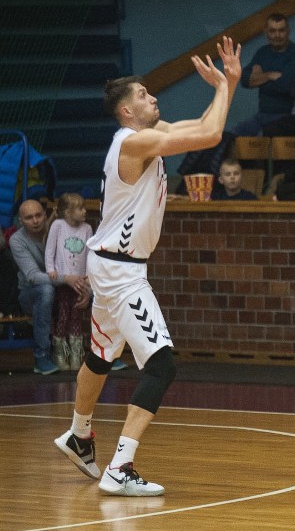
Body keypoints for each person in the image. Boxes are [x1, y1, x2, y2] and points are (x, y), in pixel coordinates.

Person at [53, 36, 242, 496]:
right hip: (120, 271)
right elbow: (212, 134)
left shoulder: (144, 141)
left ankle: (80, 435)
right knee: (161, 366)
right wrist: (228, 84)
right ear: (127, 112)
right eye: (143, 95)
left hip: (110, 264)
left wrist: (226, 89)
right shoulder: (136, 144)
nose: (152, 97)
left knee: (100, 358)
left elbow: (200, 125)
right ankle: (121, 467)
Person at [10, 200, 89, 375]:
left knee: (102, 287)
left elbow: (80, 263)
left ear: (45, 215)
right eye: (29, 218)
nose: (35, 220)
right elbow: (33, 276)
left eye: (38, 215)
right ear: (21, 221)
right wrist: (67, 279)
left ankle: (106, 355)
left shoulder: (58, 230)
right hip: (31, 294)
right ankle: (42, 356)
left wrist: (86, 288)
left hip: (65, 289)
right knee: (46, 290)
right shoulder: (17, 240)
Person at [234, 14, 295, 136]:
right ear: (266, 32)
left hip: (288, 116)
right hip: (262, 114)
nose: (277, 35)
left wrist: (258, 79)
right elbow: (244, 80)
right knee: (236, 133)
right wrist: (269, 76)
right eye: (272, 31)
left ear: (288, 31)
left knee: (263, 137)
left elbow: (287, 86)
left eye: (281, 30)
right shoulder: (262, 52)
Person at [44, 193, 94, 370]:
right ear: (66, 212)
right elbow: (50, 249)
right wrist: (51, 269)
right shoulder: (58, 225)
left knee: (76, 316)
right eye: (80, 208)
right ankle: (59, 351)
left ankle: (76, 352)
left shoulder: (87, 228)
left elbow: (89, 254)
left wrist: (87, 278)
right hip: (63, 280)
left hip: (80, 281)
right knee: (63, 314)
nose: (84, 211)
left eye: (84, 207)